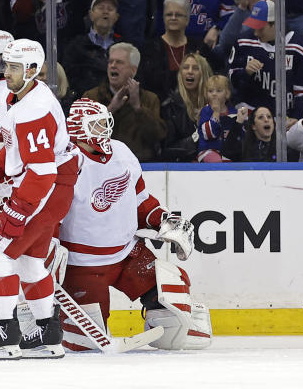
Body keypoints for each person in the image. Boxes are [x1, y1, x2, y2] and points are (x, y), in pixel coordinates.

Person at [59, 98, 211, 352]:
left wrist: (163, 218)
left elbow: (140, 201)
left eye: (104, 123)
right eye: (96, 125)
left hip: (128, 254)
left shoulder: (121, 152)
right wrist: (46, 250)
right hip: (83, 266)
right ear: (78, 128)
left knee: (174, 307)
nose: (104, 129)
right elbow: (51, 214)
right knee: (84, 343)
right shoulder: (66, 163)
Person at [0, 39, 79, 360]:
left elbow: (42, 171)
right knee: (29, 261)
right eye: (5, 65)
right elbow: (19, 151)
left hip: (44, 189)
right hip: (50, 188)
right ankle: (48, 334)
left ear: (32, 70)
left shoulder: (34, 108)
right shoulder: (19, 97)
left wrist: (19, 209)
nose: (6, 73)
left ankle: (7, 334)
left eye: (14, 67)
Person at [227, 0, 303, 119]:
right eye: (254, 26)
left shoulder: (300, 47)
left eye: (260, 28)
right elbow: (231, 81)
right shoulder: (243, 42)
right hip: (250, 116)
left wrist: (296, 118)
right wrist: (245, 72)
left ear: (275, 24)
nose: (255, 33)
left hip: (287, 118)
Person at [82, 42, 167, 162]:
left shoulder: (149, 99)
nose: (113, 66)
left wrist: (138, 108)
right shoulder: (91, 97)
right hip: (101, 166)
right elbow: (83, 135)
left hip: (139, 166)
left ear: (133, 70)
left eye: (119, 62)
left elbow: (158, 136)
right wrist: (110, 109)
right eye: (110, 62)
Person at [62, 0, 124, 96]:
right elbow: (70, 79)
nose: (105, 12)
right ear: (91, 15)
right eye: (100, 8)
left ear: (116, 17)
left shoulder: (125, 47)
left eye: (110, 9)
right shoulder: (75, 46)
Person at [159, 52, 213, 161]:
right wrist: (196, 137)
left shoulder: (216, 105)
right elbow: (168, 150)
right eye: (186, 68)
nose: (190, 72)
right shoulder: (170, 107)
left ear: (204, 74)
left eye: (195, 68)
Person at [196, 75, 241, 163]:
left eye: (219, 91)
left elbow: (239, 135)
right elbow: (208, 134)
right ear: (206, 94)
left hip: (228, 152)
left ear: (227, 93)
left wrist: (241, 119)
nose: (214, 94)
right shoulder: (206, 111)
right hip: (208, 150)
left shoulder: (234, 112)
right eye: (210, 91)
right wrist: (216, 112)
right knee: (216, 161)